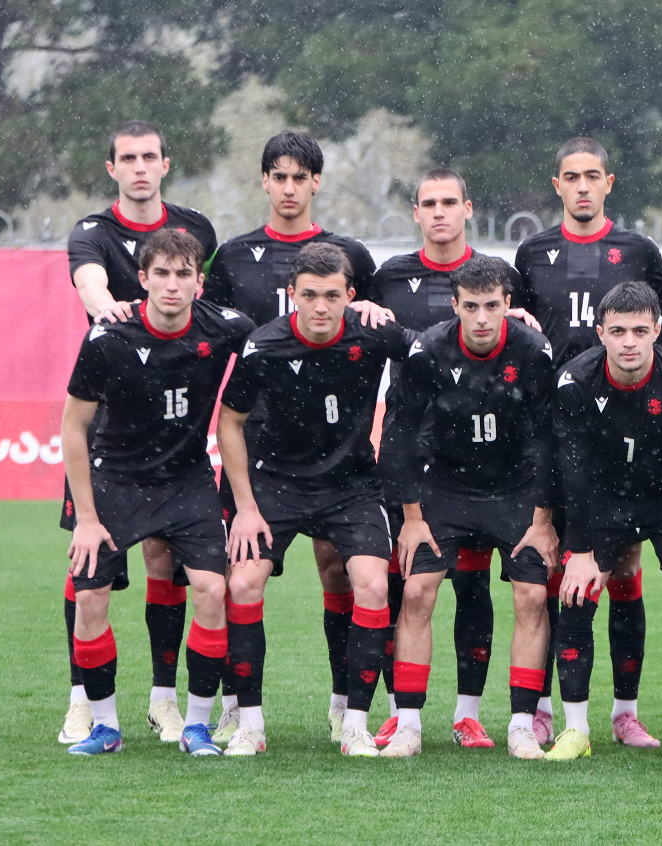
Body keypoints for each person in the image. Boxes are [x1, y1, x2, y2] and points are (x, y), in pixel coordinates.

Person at [203, 130, 388, 744]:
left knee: (347, 576)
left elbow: (399, 331)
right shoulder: (235, 260)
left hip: (341, 460)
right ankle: (239, 712)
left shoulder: (351, 258)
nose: (288, 188)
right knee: (236, 579)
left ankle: (347, 710)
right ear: (265, 181)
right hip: (265, 460)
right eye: (278, 176)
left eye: (299, 177)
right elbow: (212, 341)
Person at [216, 242, 415, 756]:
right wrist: (246, 508)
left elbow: (439, 347)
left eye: (331, 295)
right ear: (292, 295)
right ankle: (250, 725)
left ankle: (354, 726)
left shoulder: (373, 334)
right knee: (243, 582)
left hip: (352, 486)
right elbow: (229, 423)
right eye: (309, 295)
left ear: (350, 295)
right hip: (276, 485)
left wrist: (507, 320)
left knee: (373, 585)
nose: (320, 307)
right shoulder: (264, 345)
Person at [61, 228, 255, 755]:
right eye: (162, 274)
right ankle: (104, 727)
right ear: (143, 279)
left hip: (187, 480)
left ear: (199, 282)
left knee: (212, 590)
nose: (173, 284)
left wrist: (360, 312)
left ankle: (196, 725)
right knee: (91, 596)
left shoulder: (228, 328)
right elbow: (73, 428)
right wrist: (86, 518)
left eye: (184, 274)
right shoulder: (107, 338)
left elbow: (284, 339)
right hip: (116, 481)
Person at [59, 120, 219, 746]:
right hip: (110, 422)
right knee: (86, 564)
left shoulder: (195, 229)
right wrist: (109, 311)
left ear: (165, 164)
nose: (140, 167)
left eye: (150, 156)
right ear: (112, 169)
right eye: (128, 158)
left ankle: (163, 700)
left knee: (166, 562)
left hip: (173, 424)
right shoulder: (92, 232)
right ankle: (83, 700)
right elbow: (89, 281)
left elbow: (214, 307)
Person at [367, 168, 534, 749]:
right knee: (408, 589)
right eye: (429, 203)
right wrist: (360, 309)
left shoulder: (503, 283)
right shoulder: (391, 280)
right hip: (426, 466)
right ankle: (402, 714)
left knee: (482, 587)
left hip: (493, 467)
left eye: (449, 202)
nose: (439, 212)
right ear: (416, 212)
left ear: (468, 208)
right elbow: (368, 334)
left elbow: (522, 352)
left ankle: (475, 716)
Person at [512, 137, 662, 747]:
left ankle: (625, 711)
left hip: (622, 433)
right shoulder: (534, 252)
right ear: (557, 185)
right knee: (555, 568)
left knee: (624, 566)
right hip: (554, 431)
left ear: (609, 182)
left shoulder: (639, 251)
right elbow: (519, 329)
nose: (582, 186)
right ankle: (546, 707)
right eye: (571, 177)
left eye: (592, 176)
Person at [379, 256, 558, 760]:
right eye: (472, 306)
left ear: (507, 305)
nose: (482, 318)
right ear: (454, 305)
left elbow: (550, 438)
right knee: (417, 591)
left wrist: (544, 520)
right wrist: (412, 518)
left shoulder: (533, 350)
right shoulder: (428, 350)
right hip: (446, 487)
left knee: (532, 596)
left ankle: (522, 726)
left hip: (515, 489)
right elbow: (399, 434)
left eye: (492, 306)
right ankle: (409, 725)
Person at [549, 281, 662, 763]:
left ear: (658, 332)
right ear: (600, 332)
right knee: (576, 594)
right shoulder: (574, 382)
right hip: (601, 500)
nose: (629, 342)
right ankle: (576, 730)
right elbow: (572, 471)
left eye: (640, 331)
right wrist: (581, 550)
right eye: (619, 331)